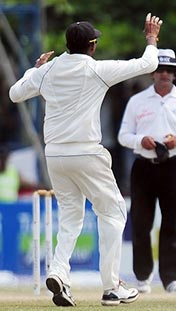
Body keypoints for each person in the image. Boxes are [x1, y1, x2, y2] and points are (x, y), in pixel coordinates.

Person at [9, 13, 163, 306]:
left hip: (54, 153)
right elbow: (148, 64)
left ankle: (58, 272)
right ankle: (111, 286)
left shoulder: (48, 70)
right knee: (114, 211)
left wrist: (34, 70)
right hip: (86, 152)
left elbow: (16, 94)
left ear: (67, 44)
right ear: (92, 46)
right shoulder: (96, 70)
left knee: (71, 218)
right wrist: (151, 38)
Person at [117, 48, 176, 295]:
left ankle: (172, 278)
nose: (164, 74)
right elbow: (123, 135)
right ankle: (142, 277)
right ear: (153, 73)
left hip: (174, 166)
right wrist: (140, 140)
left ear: (175, 75)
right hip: (144, 166)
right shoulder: (137, 101)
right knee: (141, 223)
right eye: (160, 70)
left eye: (169, 71)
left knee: (171, 223)